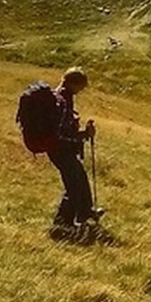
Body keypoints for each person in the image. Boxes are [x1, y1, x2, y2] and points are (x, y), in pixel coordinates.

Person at [48, 69, 101, 239]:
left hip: (60, 150)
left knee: (79, 179)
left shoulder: (61, 97)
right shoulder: (62, 101)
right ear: (73, 83)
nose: (81, 90)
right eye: (81, 87)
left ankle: (84, 213)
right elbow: (61, 133)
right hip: (61, 150)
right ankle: (62, 224)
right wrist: (84, 135)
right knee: (74, 186)